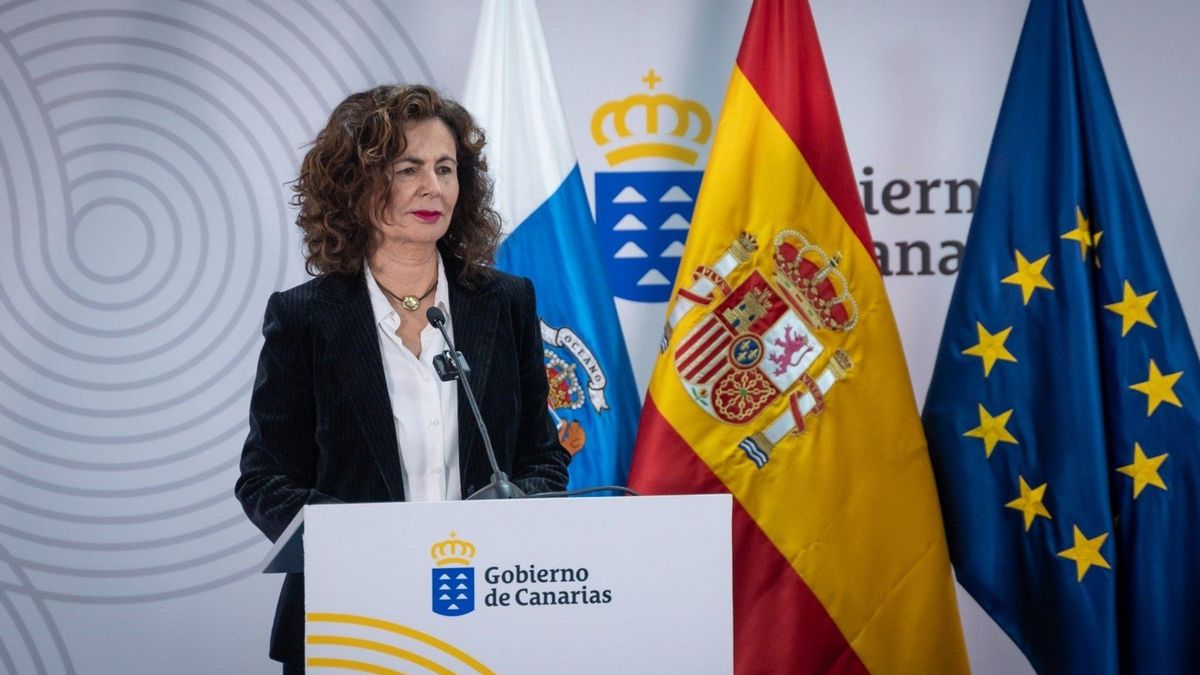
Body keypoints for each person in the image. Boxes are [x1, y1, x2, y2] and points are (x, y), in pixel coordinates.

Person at [234, 84, 571, 671]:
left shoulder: (505, 303)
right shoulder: (305, 316)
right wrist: (359, 548)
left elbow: (541, 457)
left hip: (489, 607)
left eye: (445, 169)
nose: (432, 187)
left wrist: (513, 518)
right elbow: (265, 479)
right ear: (355, 184)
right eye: (407, 168)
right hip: (351, 619)